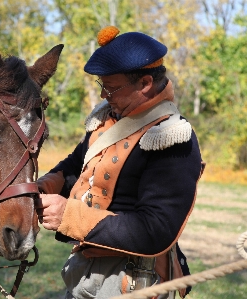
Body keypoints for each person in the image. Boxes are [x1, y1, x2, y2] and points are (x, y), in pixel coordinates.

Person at [35, 26, 205, 299]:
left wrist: (69, 216)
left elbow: (155, 230)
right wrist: (41, 188)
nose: (104, 95)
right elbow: (75, 166)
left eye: (111, 88)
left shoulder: (173, 137)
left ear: (145, 84)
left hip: (133, 279)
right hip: (85, 269)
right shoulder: (108, 121)